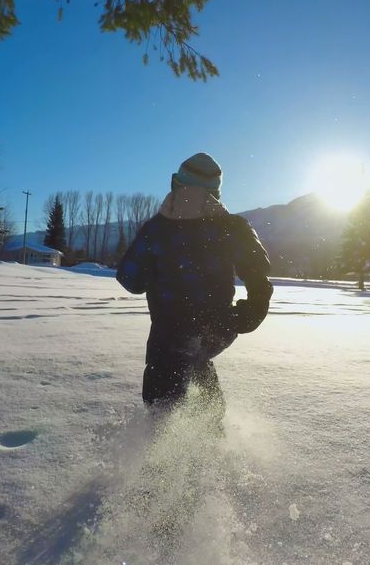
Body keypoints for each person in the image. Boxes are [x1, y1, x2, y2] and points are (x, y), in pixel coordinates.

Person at [116, 152, 273, 411]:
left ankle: (160, 440)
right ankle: (212, 436)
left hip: (168, 332)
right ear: (216, 194)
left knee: (163, 408)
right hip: (217, 329)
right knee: (199, 367)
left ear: (176, 185)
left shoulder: (156, 229)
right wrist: (247, 314)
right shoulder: (232, 227)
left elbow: (129, 280)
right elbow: (259, 275)